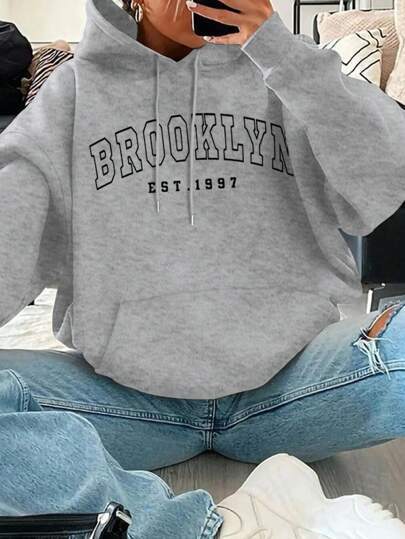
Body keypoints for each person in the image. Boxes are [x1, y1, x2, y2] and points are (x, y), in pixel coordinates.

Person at [0, 0, 405, 536]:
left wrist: (279, 52)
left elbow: (388, 178)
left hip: (299, 387)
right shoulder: (72, 97)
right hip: (125, 405)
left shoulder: (290, 70)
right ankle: (210, 528)